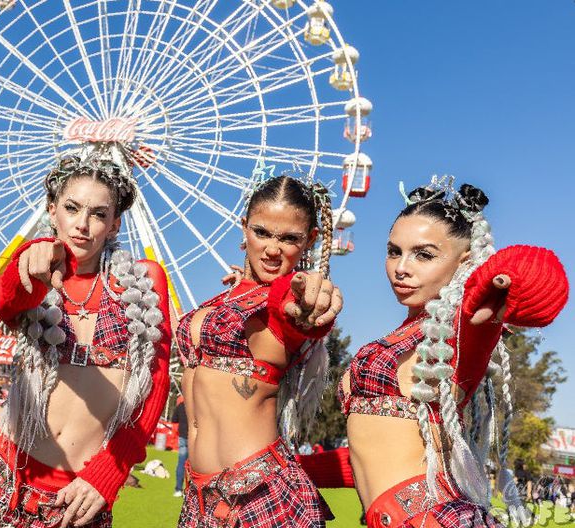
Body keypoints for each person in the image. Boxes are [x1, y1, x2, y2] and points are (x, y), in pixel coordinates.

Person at [0, 152, 172, 527]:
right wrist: (28, 262)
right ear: (52, 210)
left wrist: (109, 473)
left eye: (99, 214)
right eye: (72, 208)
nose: (82, 224)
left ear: (114, 225)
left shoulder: (143, 282)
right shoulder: (36, 270)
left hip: (73, 492)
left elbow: (155, 385)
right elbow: (4, 302)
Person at [339, 180, 569, 527]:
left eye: (423, 254)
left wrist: (492, 279)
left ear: (465, 261)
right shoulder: (399, 334)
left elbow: (541, 282)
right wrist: (290, 468)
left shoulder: (464, 326)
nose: (401, 267)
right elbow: (370, 454)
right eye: (394, 251)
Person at [175, 174, 343, 528]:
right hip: (200, 499)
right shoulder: (224, 298)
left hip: (260, 497)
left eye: (289, 238)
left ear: (310, 240)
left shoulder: (284, 298)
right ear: (244, 227)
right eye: (262, 232)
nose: (272, 249)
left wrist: (313, 301)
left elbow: (302, 308)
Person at [170, 396, 188, 498]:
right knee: (194, 467)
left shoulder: (181, 406)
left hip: (183, 437)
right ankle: (190, 491)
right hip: (194, 439)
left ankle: (178, 489)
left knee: (181, 464)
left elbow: (174, 419)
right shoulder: (196, 406)